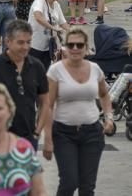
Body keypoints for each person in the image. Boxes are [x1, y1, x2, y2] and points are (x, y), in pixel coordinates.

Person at [45, 28, 114, 196]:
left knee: (87, 187)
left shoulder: (95, 68)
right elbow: (48, 105)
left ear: (86, 48)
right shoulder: (56, 71)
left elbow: (104, 95)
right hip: (64, 133)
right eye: (71, 45)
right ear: (65, 47)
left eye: (79, 45)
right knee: (69, 182)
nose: (75, 48)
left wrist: (109, 118)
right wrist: (47, 138)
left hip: (92, 133)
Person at [0, 19, 50, 149]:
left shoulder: (37, 67)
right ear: (8, 42)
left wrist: (37, 133)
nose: (26, 47)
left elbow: (45, 102)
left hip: (28, 140)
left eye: (29, 42)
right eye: (20, 42)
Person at [28, 0, 70, 70]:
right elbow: (38, 16)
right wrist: (53, 28)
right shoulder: (39, 2)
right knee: (34, 72)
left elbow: (63, 23)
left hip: (48, 46)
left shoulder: (56, 5)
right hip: (35, 45)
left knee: (45, 71)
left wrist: (75, 33)